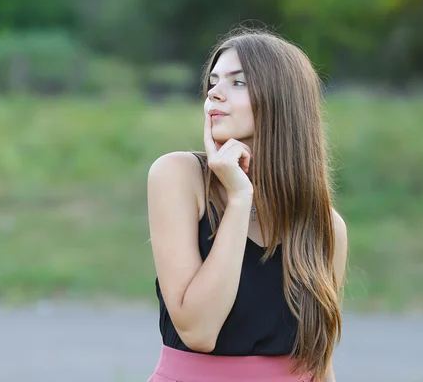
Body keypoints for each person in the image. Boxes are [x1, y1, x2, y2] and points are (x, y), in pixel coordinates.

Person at [146, 27, 348, 382]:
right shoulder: (178, 176)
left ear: (282, 101)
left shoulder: (326, 228)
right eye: (213, 81)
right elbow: (199, 331)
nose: (214, 93)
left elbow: (320, 365)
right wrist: (239, 199)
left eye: (238, 83)